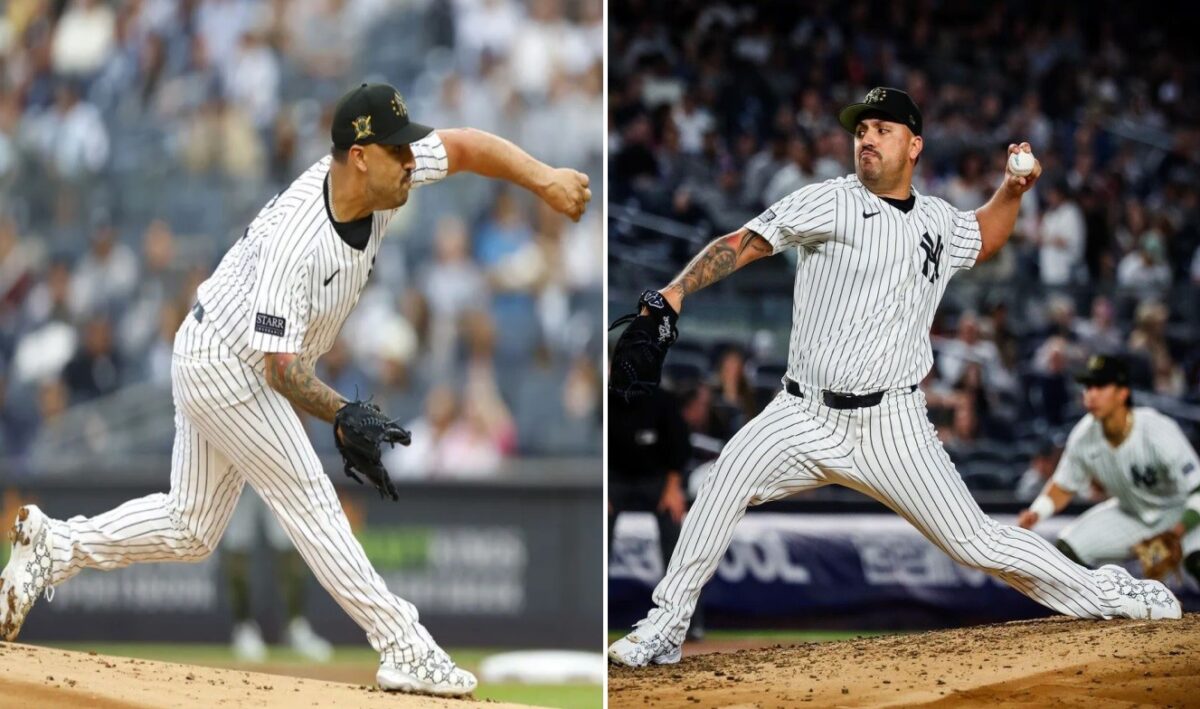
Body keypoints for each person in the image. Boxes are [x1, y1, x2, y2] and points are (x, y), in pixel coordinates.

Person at [1, 82, 590, 696]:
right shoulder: (299, 239)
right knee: (310, 498)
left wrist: (543, 177)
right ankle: (404, 645)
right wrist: (342, 413)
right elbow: (278, 369)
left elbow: (466, 146)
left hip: (225, 348)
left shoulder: (390, 178)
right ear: (360, 154)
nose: (413, 159)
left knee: (190, 527)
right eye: (398, 151)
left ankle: (54, 545)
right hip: (230, 362)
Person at [608, 87, 1180, 668]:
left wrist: (1011, 190)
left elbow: (984, 236)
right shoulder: (829, 202)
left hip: (894, 423)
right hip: (803, 413)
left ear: (914, 145)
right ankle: (666, 626)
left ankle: (1111, 592)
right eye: (861, 130)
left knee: (978, 542)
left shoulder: (935, 219)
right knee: (723, 481)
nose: (867, 139)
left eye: (882, 128)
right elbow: (742, 244)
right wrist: (675, 293)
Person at [1017, 355, 1200, 585]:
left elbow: (1198, 491)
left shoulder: (1157, 430)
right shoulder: (1083, 435)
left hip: (1184, 513)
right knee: (1069, 548)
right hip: (1132, 514)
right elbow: (1064, 485)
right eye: (1088, 387)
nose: (1091, 394)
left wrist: (1176, 533)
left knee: (1198, 560)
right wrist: (1038, 512)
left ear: (1122, 393)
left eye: (1100, 386)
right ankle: (1087, 614)